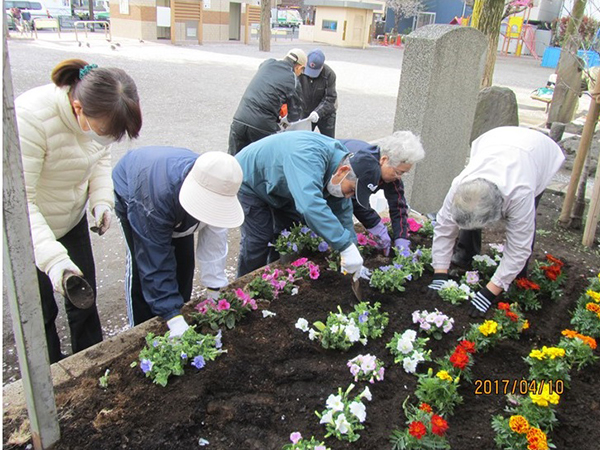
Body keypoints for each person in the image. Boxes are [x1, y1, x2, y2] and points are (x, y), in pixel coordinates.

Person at [15, 59, 142, 363]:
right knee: (40, 310)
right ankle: (48, 375)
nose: (107, 139)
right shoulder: (30, 119)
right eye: (104, 131)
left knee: (84, 299)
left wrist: (101, 200)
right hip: (30, 227)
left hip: (70, 219)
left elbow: (100, 158)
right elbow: (21, 203)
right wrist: (55, 260)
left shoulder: (99, 118)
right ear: (77, 108)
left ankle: (92, 364)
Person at [427, 126, 565, 317]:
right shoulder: (461, 185)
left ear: (497, 215)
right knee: (471, 214)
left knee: (524, 231)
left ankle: (516, 279)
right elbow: (444, 227)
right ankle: (466, 256)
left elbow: (519, 246)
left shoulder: (521, 194)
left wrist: (490, 291)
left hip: (538, 153)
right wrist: (440, 272)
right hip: (495, 139)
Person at [112, 149, 244, 337]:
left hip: (169, 196)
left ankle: (175, 316)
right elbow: (153, 257)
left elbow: (214, 240)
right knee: (142, 271)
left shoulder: (217, 183)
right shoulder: (156, 199)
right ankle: (144, 333)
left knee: (184, 264)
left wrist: (215, 289)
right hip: (137, 192)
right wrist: (172, 317)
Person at [235, 130, 381, 278]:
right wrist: (345, 247)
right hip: (251, 179)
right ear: (343, 171)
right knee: (259, 241)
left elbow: (343, 212)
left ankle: (274, 282)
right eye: (351, 190)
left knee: (286, 235)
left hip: (282, 184)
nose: (349, 196)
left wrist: (353, 250)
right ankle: (244, 288)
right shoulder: (308, 157)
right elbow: (310, 206)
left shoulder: (341, 166)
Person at [340, 131, 425, 256]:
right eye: (398, 172)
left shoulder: (391, 173)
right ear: (384, 160)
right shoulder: (363, 165)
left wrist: (401, 238)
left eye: (403, 173)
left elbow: (398, 206)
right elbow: (353, 198)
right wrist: (376, 225)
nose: (399, 177)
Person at [228, 48, 307, 155]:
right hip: (262, 126)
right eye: (302, 71)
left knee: (233, 161)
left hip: (239, 119)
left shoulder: (267, 63)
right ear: (299, 67)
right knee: (262, 163)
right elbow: (294, 116)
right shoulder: (293, 80)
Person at [299, 48, 338, 138]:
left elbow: (330, 98)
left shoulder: (329, 74)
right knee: (303, 140)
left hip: (326, 114)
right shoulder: (300, 71)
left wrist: (318, 112)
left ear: (322, 67)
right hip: (306, 113)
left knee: (328, 142)